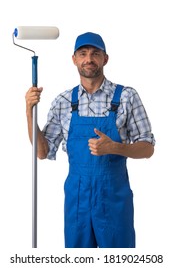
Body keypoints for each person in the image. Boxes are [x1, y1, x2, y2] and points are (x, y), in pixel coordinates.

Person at [25, 32, 155, 248]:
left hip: (114, 197)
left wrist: (115, 147)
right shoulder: (63, 101)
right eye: (83, 53)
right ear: (74, 59)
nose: (89, 59)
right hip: (78, 200)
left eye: (95, 53)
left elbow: (147, 148)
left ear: (105, 59)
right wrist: (30, 112)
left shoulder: (126, 97)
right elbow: (42, 152)